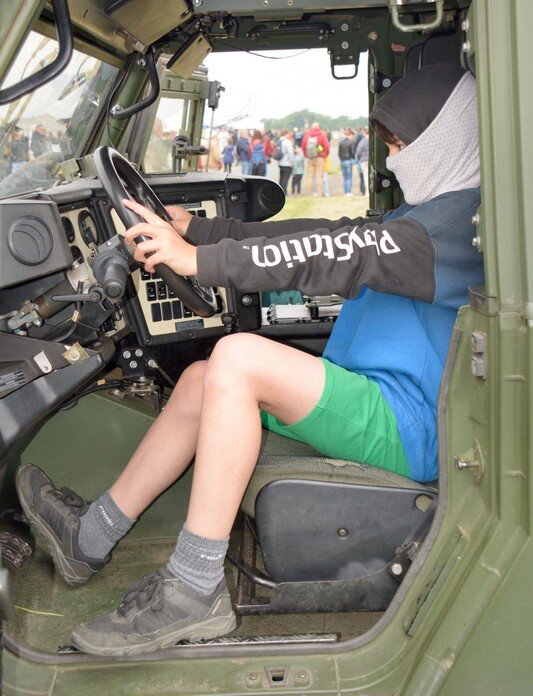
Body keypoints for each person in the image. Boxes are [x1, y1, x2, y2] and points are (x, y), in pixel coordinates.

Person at [17, 63, 484, 657]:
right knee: (202, 378)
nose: (394, 162)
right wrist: (203, 232)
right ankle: (89, 538)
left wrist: (200, 262)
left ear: (446, 141)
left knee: (236, 359)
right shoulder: (434, 215)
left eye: (402, 146)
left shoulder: (455, 229)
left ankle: (193, 589)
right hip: (376, 397)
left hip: (407, 425)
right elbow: (330, 233)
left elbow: (336, 253)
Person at [302, 121, 329, 197]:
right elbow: (326, 146)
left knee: (310, 177)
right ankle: (320, 193)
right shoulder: (321, 135)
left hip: (310, 158)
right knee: (319, 177)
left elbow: (303, 146)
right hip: (320, 158)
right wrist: (324, 155)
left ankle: (309, 194)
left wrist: (306, 155)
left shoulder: (307, 135)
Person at [277, 129, 294, 194]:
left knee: (281, 178)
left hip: (280, 162)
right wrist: (292, 162)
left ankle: (279, 191)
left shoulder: (279, 140)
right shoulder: (287, 141)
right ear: (286, 134)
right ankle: (284, 192)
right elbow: (290, 153)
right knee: (285, 178)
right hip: (287, 163)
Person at [356, 129, 369, 196]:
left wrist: (359, 159)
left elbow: (358, 151)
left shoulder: (363, 141)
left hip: (364, 160)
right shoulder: (374, 141)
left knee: (366, 177)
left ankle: (367, 192)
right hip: (371, 161)